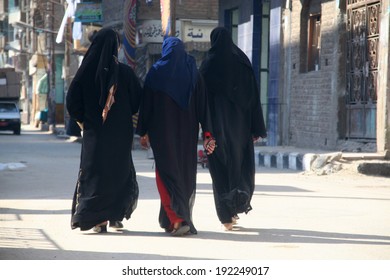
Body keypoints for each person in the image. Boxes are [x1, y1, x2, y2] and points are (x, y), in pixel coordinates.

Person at [136, 37, 216, 236]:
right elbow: (203, 106)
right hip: (187, 134)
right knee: (185, 173)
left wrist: (143, 131)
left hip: (161, 134)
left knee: (165, 173)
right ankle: (175, 219)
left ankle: (178, 218)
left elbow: (146, 105)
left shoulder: (156, 72)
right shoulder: (193, 74)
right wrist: (207, 132)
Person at [66, 28, 142, 233]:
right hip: (120, 134)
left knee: (95, 173)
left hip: (94, 134)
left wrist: (84, 120)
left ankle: (97, 219)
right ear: (115, 47)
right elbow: (137, 100)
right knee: (119, 171)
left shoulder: (85, 73)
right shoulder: (125, 73)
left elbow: (72, 102)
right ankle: (115, 214)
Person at [199, 27, 267, 231]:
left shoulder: (208, 64)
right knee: (239, 168)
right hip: (241, 129)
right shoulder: (242, 62)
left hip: (215, 129)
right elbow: (254, 98)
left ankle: (226, 217)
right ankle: (235, 207)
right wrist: (256, 129)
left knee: (219, 170)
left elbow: (202, 101)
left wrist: (205, 130)